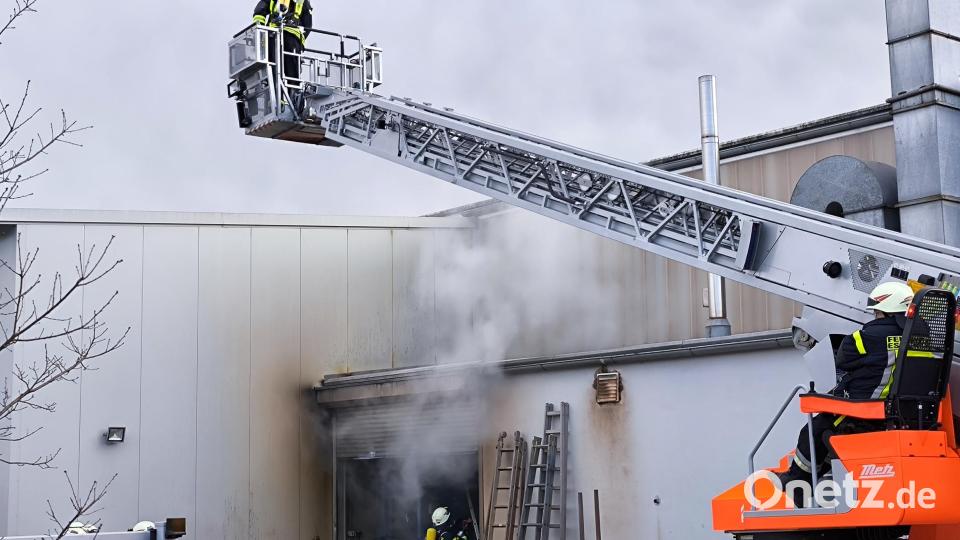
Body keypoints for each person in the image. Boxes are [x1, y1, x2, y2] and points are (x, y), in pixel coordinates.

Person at [778, 281, 915, 503]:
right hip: (905, 413)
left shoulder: (866, 337)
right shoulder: (922, 338)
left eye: (877, 312)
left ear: (883, 310)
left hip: (865, 411)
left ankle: (797, 483)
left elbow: (843, 359)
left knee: (814, 429)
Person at [253, 0, 314, 84]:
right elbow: (259, 14)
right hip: (275, 36)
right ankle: (285, 90)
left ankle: (289, 92)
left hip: (287, 37)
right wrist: (261, 33)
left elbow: (307, 26)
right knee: (277, 67)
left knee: (285, 68)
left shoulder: (302, 1)